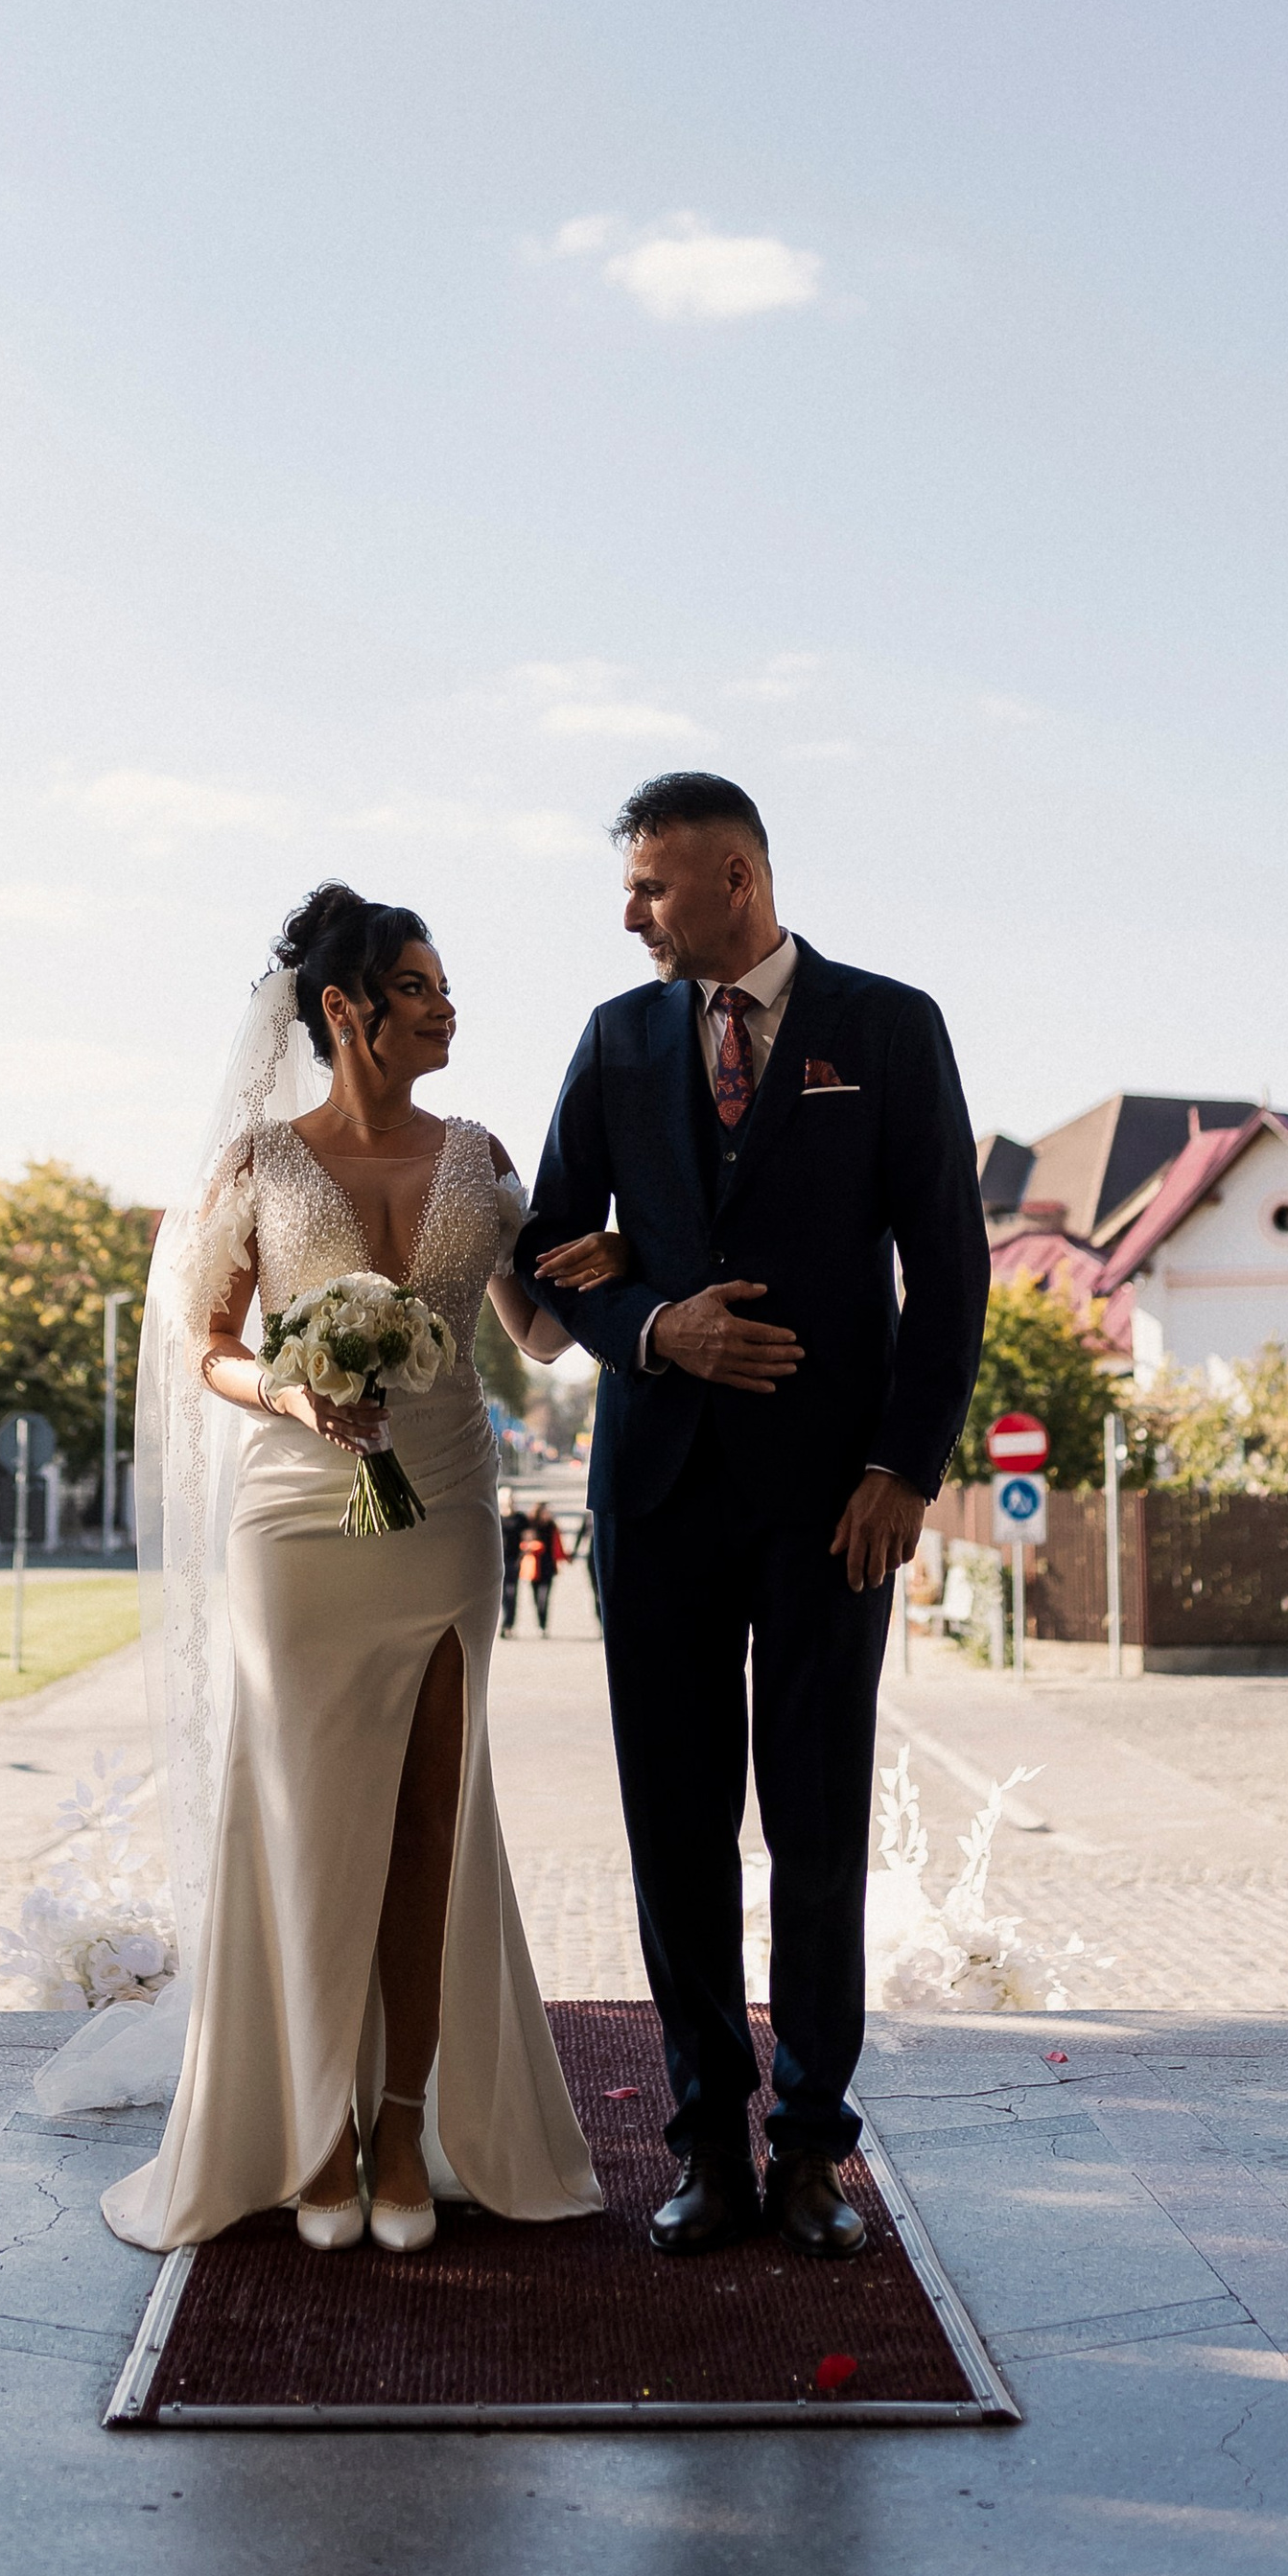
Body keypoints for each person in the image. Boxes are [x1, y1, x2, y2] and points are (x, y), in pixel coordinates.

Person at [91, 884, 620, 2257]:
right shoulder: (257, 1166)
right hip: (294, 1519)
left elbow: (543, 1334)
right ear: (346, 1010)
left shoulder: (478, 1152)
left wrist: (612, 1264)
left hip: (445, 1511)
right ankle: (310, 2127)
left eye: (447, 985)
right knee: (304, 1819)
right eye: (422, 985)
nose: (450, 1005)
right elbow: (205, 1342)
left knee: (429, 1822)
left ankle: (401, 2121)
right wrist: (290, 1395)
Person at [519, 775, 988, 2263]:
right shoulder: (617, 1036)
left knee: (818, 1829)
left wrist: (907, 1468)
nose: (632, 913)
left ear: (736, 877)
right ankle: (706, 2145)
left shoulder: (890, 1024)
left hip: (832, 1506)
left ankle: (812, 2151)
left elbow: (952, 1264)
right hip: (653, 1495)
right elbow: (545, 1247)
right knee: (675, 1831)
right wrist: (659, 1330)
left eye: (652, 885)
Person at [522, 1501, 566, 1634]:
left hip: (548, 1567)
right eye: (545, 1511)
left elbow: (558, 1544)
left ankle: (543, 1624)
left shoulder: (552, 1527)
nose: (547, 1514)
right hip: (534, 1567)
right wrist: (533, 1546)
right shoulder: (531, 1526)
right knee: (536, 1597)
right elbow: (524, 1544)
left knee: (544, 1597)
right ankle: (540, 1620)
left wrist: (564, 1556)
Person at [500, 1489, 526, 1637]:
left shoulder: (520, 1518)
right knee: (500, 1595)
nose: (509, 1501)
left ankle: (508, 1625)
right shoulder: (495, 1515)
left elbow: (528, 1538)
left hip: (513, 1561)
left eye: (511, 1498)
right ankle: (501, 1624)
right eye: (506, 1498)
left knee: (511, 1593)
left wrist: (522, 1557)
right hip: (497, 1562)